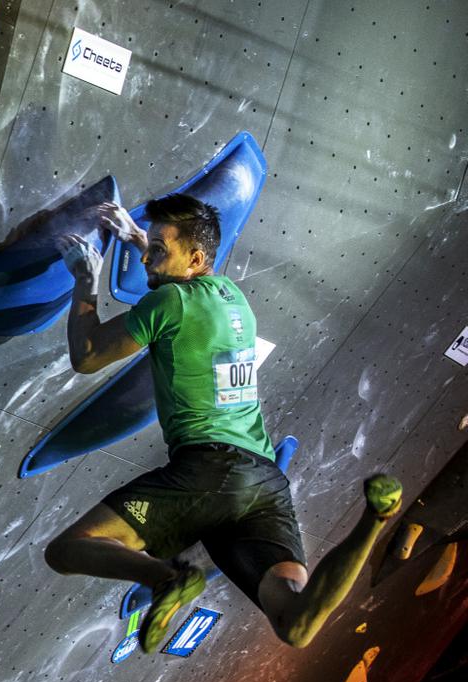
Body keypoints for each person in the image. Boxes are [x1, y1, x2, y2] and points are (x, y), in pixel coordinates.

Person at [43, 194, 403, 652]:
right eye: (149, 247)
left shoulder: (169, 303)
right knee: (294, 623)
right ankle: (377, 517)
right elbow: (179, 279)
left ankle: (168, 578)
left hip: (208, 473)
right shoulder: (233, 298)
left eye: (158, 250)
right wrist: (135, 237)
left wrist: (85, 279)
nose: (149, 258)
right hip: (263, 484)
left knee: (68, 549)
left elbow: (88, 356)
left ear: (195, 259)